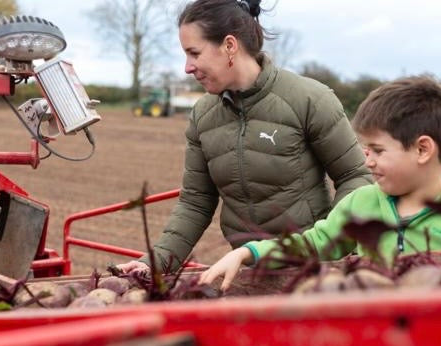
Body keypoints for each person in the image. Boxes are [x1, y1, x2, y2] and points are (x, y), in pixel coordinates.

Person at [119, 0, 372, 274]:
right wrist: (154, 264)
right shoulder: (203, 115)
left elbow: (355, 178)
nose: (187, 67)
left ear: (229, 45)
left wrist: (326, 244)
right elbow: (195, 201)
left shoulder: (310, 99)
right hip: (246, 269)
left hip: (310, 269)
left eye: (194, 53)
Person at [200, 76, 441, 291]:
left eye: (379, 151)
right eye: (366, 150)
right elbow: (311, 244)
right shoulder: (361, 203)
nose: (368, 162)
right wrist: (249, 252)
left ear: (423, 149)